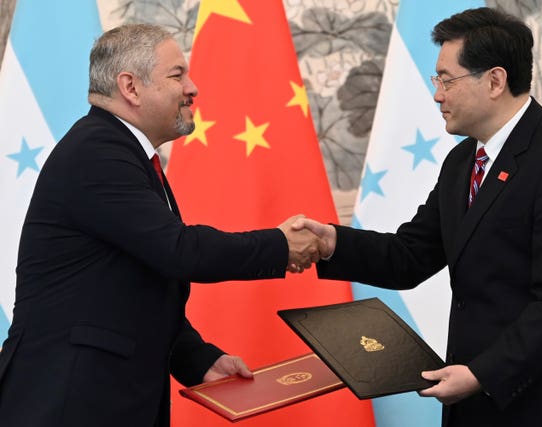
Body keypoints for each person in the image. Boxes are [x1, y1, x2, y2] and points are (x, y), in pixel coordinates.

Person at [294, 7, 542, 427]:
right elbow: (411, 254)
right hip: (477, 399)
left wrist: (481, 375)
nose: (437, 94)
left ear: (494, 81)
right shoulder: (462, 160)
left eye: (446, 80)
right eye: (437, 80)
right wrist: (331, 242)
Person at [0, 24, 319, 427]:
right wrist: (280, 245)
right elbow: (180, 251)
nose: (193, 87)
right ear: (130, 87)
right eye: (177, 74)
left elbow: (140, 285)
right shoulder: (97, 151)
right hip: (68, 402)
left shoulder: (125, 154)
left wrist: (199, 360)